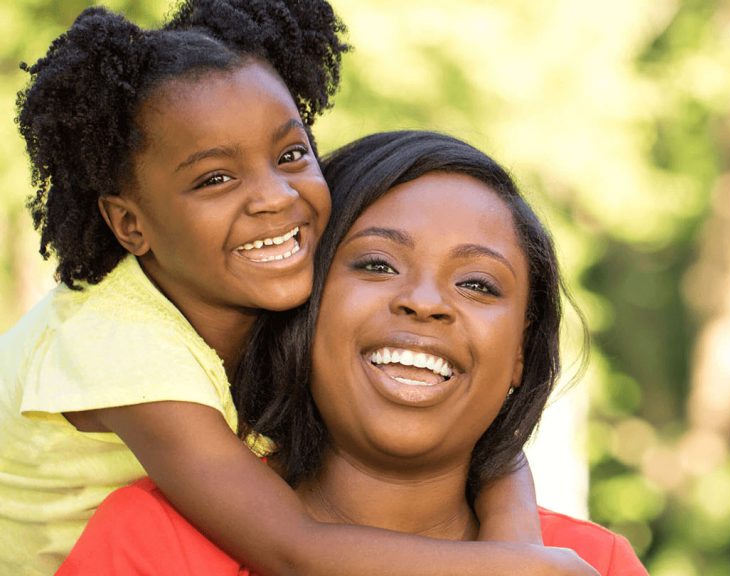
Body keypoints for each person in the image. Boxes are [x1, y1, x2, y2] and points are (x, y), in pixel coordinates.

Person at [0, 3, 593, 576]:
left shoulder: (245, 298)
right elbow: (294, 551)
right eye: (215, 178)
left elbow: (485, 435)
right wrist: (509, 567)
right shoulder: (123, 348)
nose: (275, 196)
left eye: (289, 154)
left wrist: (517, 537)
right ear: (131, 224)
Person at [58, 130, 650, 576]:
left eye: (477, 284)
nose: (424, 303)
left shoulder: (595, 563)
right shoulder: (155, 542)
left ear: (520, 352)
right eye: (376, 264)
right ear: (304, 304)